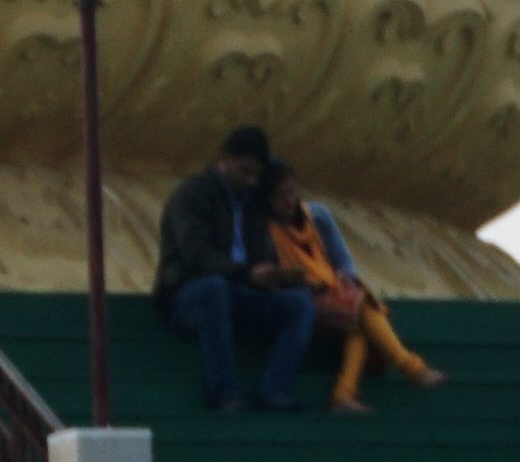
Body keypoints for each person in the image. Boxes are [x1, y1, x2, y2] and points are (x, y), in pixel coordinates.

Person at [153, 130, 319, 414]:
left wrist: (275, 276)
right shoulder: (192, 195)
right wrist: (247, 274)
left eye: (256, 175)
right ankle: (224, 393)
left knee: (300, 304)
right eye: (244, 172)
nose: (250, 181)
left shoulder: (253, 204)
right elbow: (196, 256)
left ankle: (273, 389)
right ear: (224, 161)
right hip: (188, 296)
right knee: (214, 287)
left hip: (240, 293)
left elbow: (261, 255)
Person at [265, 165, 446, 411]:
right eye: (279, 196)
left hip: (335, 294)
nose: (288, 201)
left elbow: (343, 260)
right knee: (360, 309)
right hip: (303, 300)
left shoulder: (316, 215)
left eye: (291, 192)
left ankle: (343, 395)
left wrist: (346, 279)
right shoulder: (265, 230)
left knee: (356, 320)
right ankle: (410, 366)